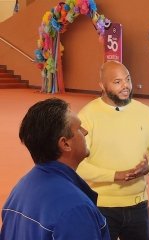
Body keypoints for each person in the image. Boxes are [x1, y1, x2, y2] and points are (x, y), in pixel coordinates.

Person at [76, 60, 149, 240]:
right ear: (102, 86)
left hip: (138, 205)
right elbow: (78, 166)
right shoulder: (86, 116)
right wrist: (115, 175)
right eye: (117, 82)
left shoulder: (146, 112)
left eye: (127, 79)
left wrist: (148, 167)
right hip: (100, 207)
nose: (125, 86)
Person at [0, 98, 110, 239]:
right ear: (65, 144)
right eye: (79, 128)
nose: (85, 132)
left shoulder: (21, 188)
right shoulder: (76, 209)